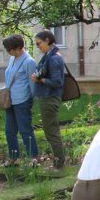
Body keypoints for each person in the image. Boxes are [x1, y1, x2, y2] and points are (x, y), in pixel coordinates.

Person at [1, 34, 39, 166]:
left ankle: (33, 157)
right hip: (10, 99)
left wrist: (31, 101)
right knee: (9, 130)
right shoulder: (13, 59)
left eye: (8, 49)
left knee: (25, 129)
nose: (8, 52)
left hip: (22, 100)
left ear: (17, 48)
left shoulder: (29, 62)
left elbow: (32, 83)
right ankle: (13, 157)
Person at [31, 30, 67, 169]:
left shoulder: (54, 58)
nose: (38, 46)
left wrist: (41, 80)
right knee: (49, 130)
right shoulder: (49, 55)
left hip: (50, 98)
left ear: (47, 40)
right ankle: (58, 160)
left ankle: (59, 162)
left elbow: (57, 82)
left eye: (39, 43)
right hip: (46, 97)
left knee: (51, 131)